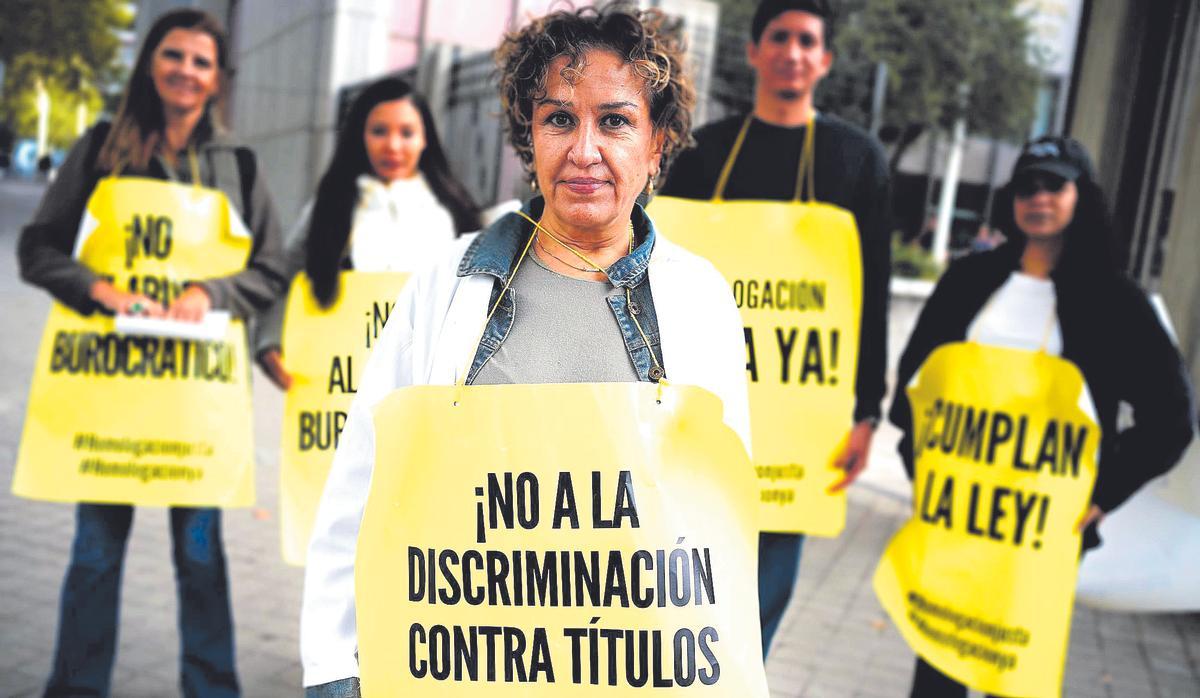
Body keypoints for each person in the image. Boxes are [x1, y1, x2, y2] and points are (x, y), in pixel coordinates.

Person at [299, 3, 751, 694]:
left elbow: (719, 518)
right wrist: (335, 667)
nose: (584, 150)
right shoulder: (448, 283)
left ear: (657, 144)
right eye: (559, 119)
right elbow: (365, 477)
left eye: (616, 121)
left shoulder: (701, 300)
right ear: (528, 137)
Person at [17, 9, 286, 695]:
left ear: (217, 78)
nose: (186, 71)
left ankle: (211, 688)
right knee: (96, 554)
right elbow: (38, 247)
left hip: (196, 406)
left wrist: (212, 292)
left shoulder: (239, 164)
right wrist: (98, 287)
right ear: (150, 63)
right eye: (173, 55)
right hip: (112, 398)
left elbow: (272, 268)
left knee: (200, 558)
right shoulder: (102, 147)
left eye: (201, 61)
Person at [889, 136, 1196, 697]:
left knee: (1016, 676)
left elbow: (1172, 418)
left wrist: (1102, 493)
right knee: (937, 668)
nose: (1039, 198)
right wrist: (922, 470)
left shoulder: (1113, 301)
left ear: (1081, 196)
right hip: (956, 520)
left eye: (1054, 185)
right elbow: (916, 384)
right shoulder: (969, 281)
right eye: (1027, 186)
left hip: (1040, 531)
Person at [659, 0, 891, 654]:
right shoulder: (704, 153)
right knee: (692, 562)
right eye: (780, 37)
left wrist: (866, 411)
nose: (793, 51)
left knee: (767, 585)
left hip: (801, 414)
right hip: (707, 400)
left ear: (825, 60)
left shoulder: (858, 160)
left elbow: (867, 293)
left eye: (807, 41)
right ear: (755, 51)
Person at [254, 76, 481, 389]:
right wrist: (269, 340)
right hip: (343, 391)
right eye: (379, 131)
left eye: (406, 132)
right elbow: (283, 276)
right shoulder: (331, 207)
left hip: (428, 389)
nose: (392, 145)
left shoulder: (456, 213)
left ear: (425, 138)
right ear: (360, 136)